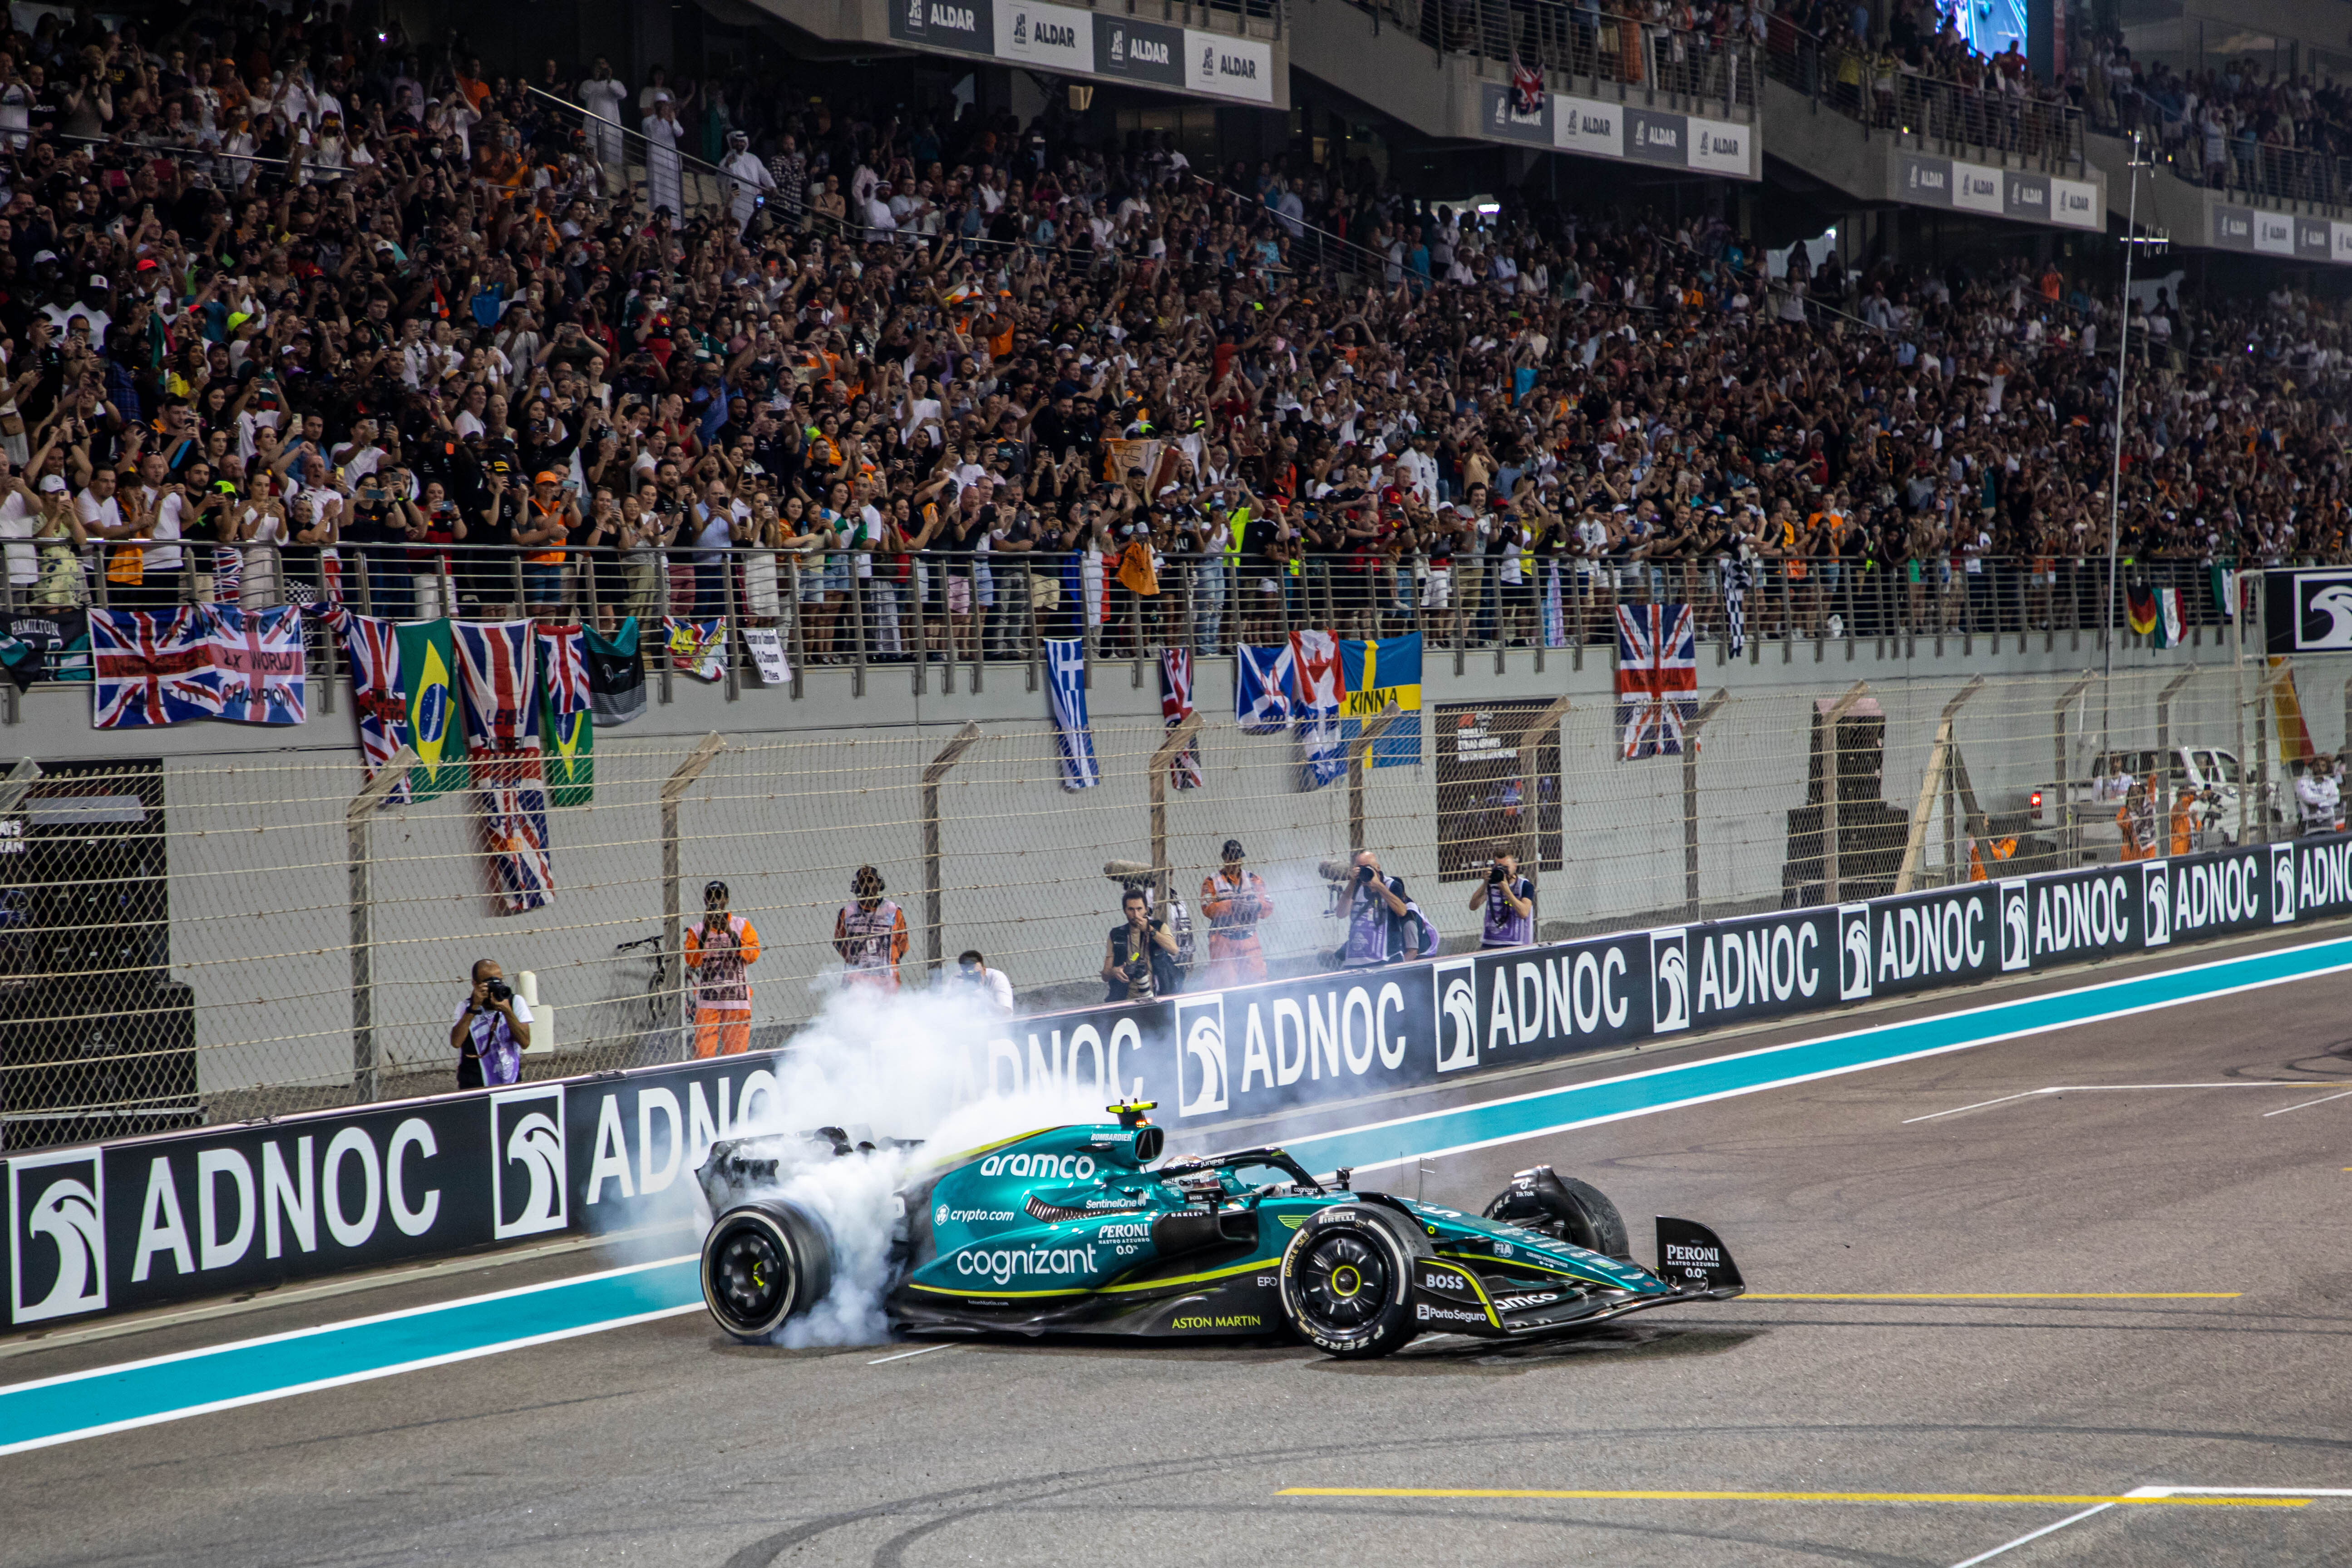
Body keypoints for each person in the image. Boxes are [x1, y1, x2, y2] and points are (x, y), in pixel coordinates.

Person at [683, 879, 762, 1056]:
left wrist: (730, 932)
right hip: (708, 1000)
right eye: (710, 896)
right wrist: (705, 933)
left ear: (726, 900)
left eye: (719, 896)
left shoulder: (741, 925)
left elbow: (754, 954)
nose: (714, 901)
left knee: (735, 1054)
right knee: (704, 1054)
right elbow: (693, 961)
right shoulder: (696, 930)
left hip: (737, 998)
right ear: (704, 901)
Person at [1198, 838, 1273, 987]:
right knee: (1226, 983)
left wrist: (1257, 906)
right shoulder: (1212, 881)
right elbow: (1207, 909)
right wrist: (1232, 905)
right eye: (1231, 859)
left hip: (1249, 936)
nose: (1235, 863)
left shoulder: (1254, 879)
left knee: (1258, 981)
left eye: (1238, 859)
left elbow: (1268, 906)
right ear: (1224, 858)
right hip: (1223, 938)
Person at [449, 957, 533, 1089]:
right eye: (489, 982)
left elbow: (525, 1042)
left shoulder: (515, 1002)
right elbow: (456, 1042)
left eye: (498, 980)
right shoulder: (465, 1007)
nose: (495, 985)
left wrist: (507, 1011)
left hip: (511, 1081)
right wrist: (473, 1008)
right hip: (476, 1083)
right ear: (475, 984)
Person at [1337, 849, 1415, 969]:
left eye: (1367, 867)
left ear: (1378, 868)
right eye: (1360, 868)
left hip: (1386, 959)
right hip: (1356, 960)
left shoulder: (1391, 885)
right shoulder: (1355, 887)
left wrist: (1379, 887)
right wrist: (1352, 883)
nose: (1364, 871)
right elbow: (1341, 914)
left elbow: (1402, 911)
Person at [833, 865, 908, 989]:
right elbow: (840, 942)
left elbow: (903, 942)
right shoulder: (848, 912)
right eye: (863, 881)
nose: (867, 885)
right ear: (857, 886)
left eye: (870, 880)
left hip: (887, 979)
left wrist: (892, 961)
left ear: (879, 884)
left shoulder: (893, 911)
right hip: (857, 981)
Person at [1103, 887, 1180, 1001]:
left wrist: (1150, 930)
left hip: (1158, 995)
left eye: (1139, 909)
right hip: (1125, 998)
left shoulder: (1159, 927)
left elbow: (1174, 950)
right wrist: (1114, 972)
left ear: (1146, 910)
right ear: (1125, 910)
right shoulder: (1117, 935)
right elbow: (1105, 976)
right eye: (1131, 910)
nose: (1136, 914)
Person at [950, 948, 1015, 1014]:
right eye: (969, 974)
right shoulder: (958, 979)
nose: (973, 976)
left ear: (984, 969)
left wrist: (983, 997)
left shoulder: (997, 978)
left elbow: (1006, 1013)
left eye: (977, 973)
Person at [2296, 753, 2343, 835]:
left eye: (2323, 766)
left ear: (2326, 768)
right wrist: (2326, 797)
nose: (2320, 768)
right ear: (2313, 766)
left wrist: (2318, 803)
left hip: (2328, 824)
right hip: (2310, 825)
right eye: (2318, 765)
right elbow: (2308, 798)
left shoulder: (2331, 782)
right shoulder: (2304, 781)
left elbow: (2336, 799)